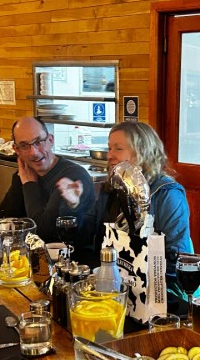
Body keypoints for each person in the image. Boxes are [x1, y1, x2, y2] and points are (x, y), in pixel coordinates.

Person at [67, 122, 193, 298]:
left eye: (118, 149)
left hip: (157, 293)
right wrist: (76, 205)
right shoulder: (111, 189)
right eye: (109, 148)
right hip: (111, 285)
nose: (109, 155)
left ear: (142, 153)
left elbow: (177, 258)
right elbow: (85, 238)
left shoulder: (167, 194)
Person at [0, 116, 95, 244]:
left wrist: (29, 185)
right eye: (24, 146)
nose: (34, 152)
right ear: (17, 150)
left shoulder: (72, 177)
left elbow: (45, 232)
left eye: (38, 142)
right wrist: (20, 181)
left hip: (72, 255)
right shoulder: (26, 173)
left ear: (50, 140)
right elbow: (5, 217)